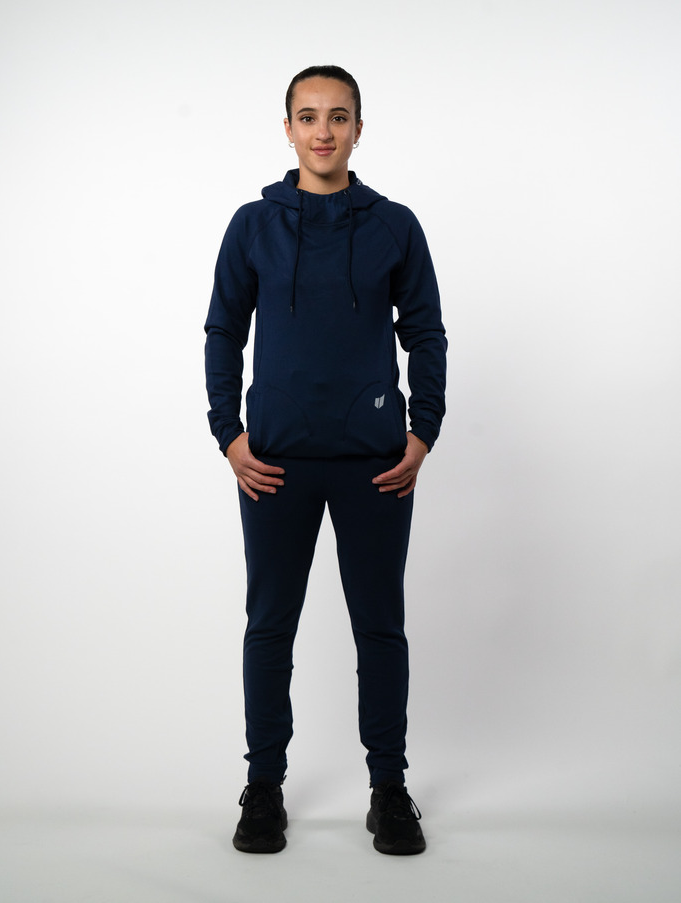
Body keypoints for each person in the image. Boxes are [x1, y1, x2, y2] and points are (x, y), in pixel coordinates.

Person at [204, 65, 447, 855]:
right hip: (273, 462)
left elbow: (426, 331)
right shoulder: (253, 225)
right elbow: (222, 330)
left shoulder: (394, 226)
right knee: (270, 624)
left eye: (338, 116)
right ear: (288, 129)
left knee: (380, 626)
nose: (323, 130)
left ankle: (389, 789)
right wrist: (229, 435)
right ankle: (263, 787)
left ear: (358, 129)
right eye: (308, 116)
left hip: (375, 465)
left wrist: (422, 432)